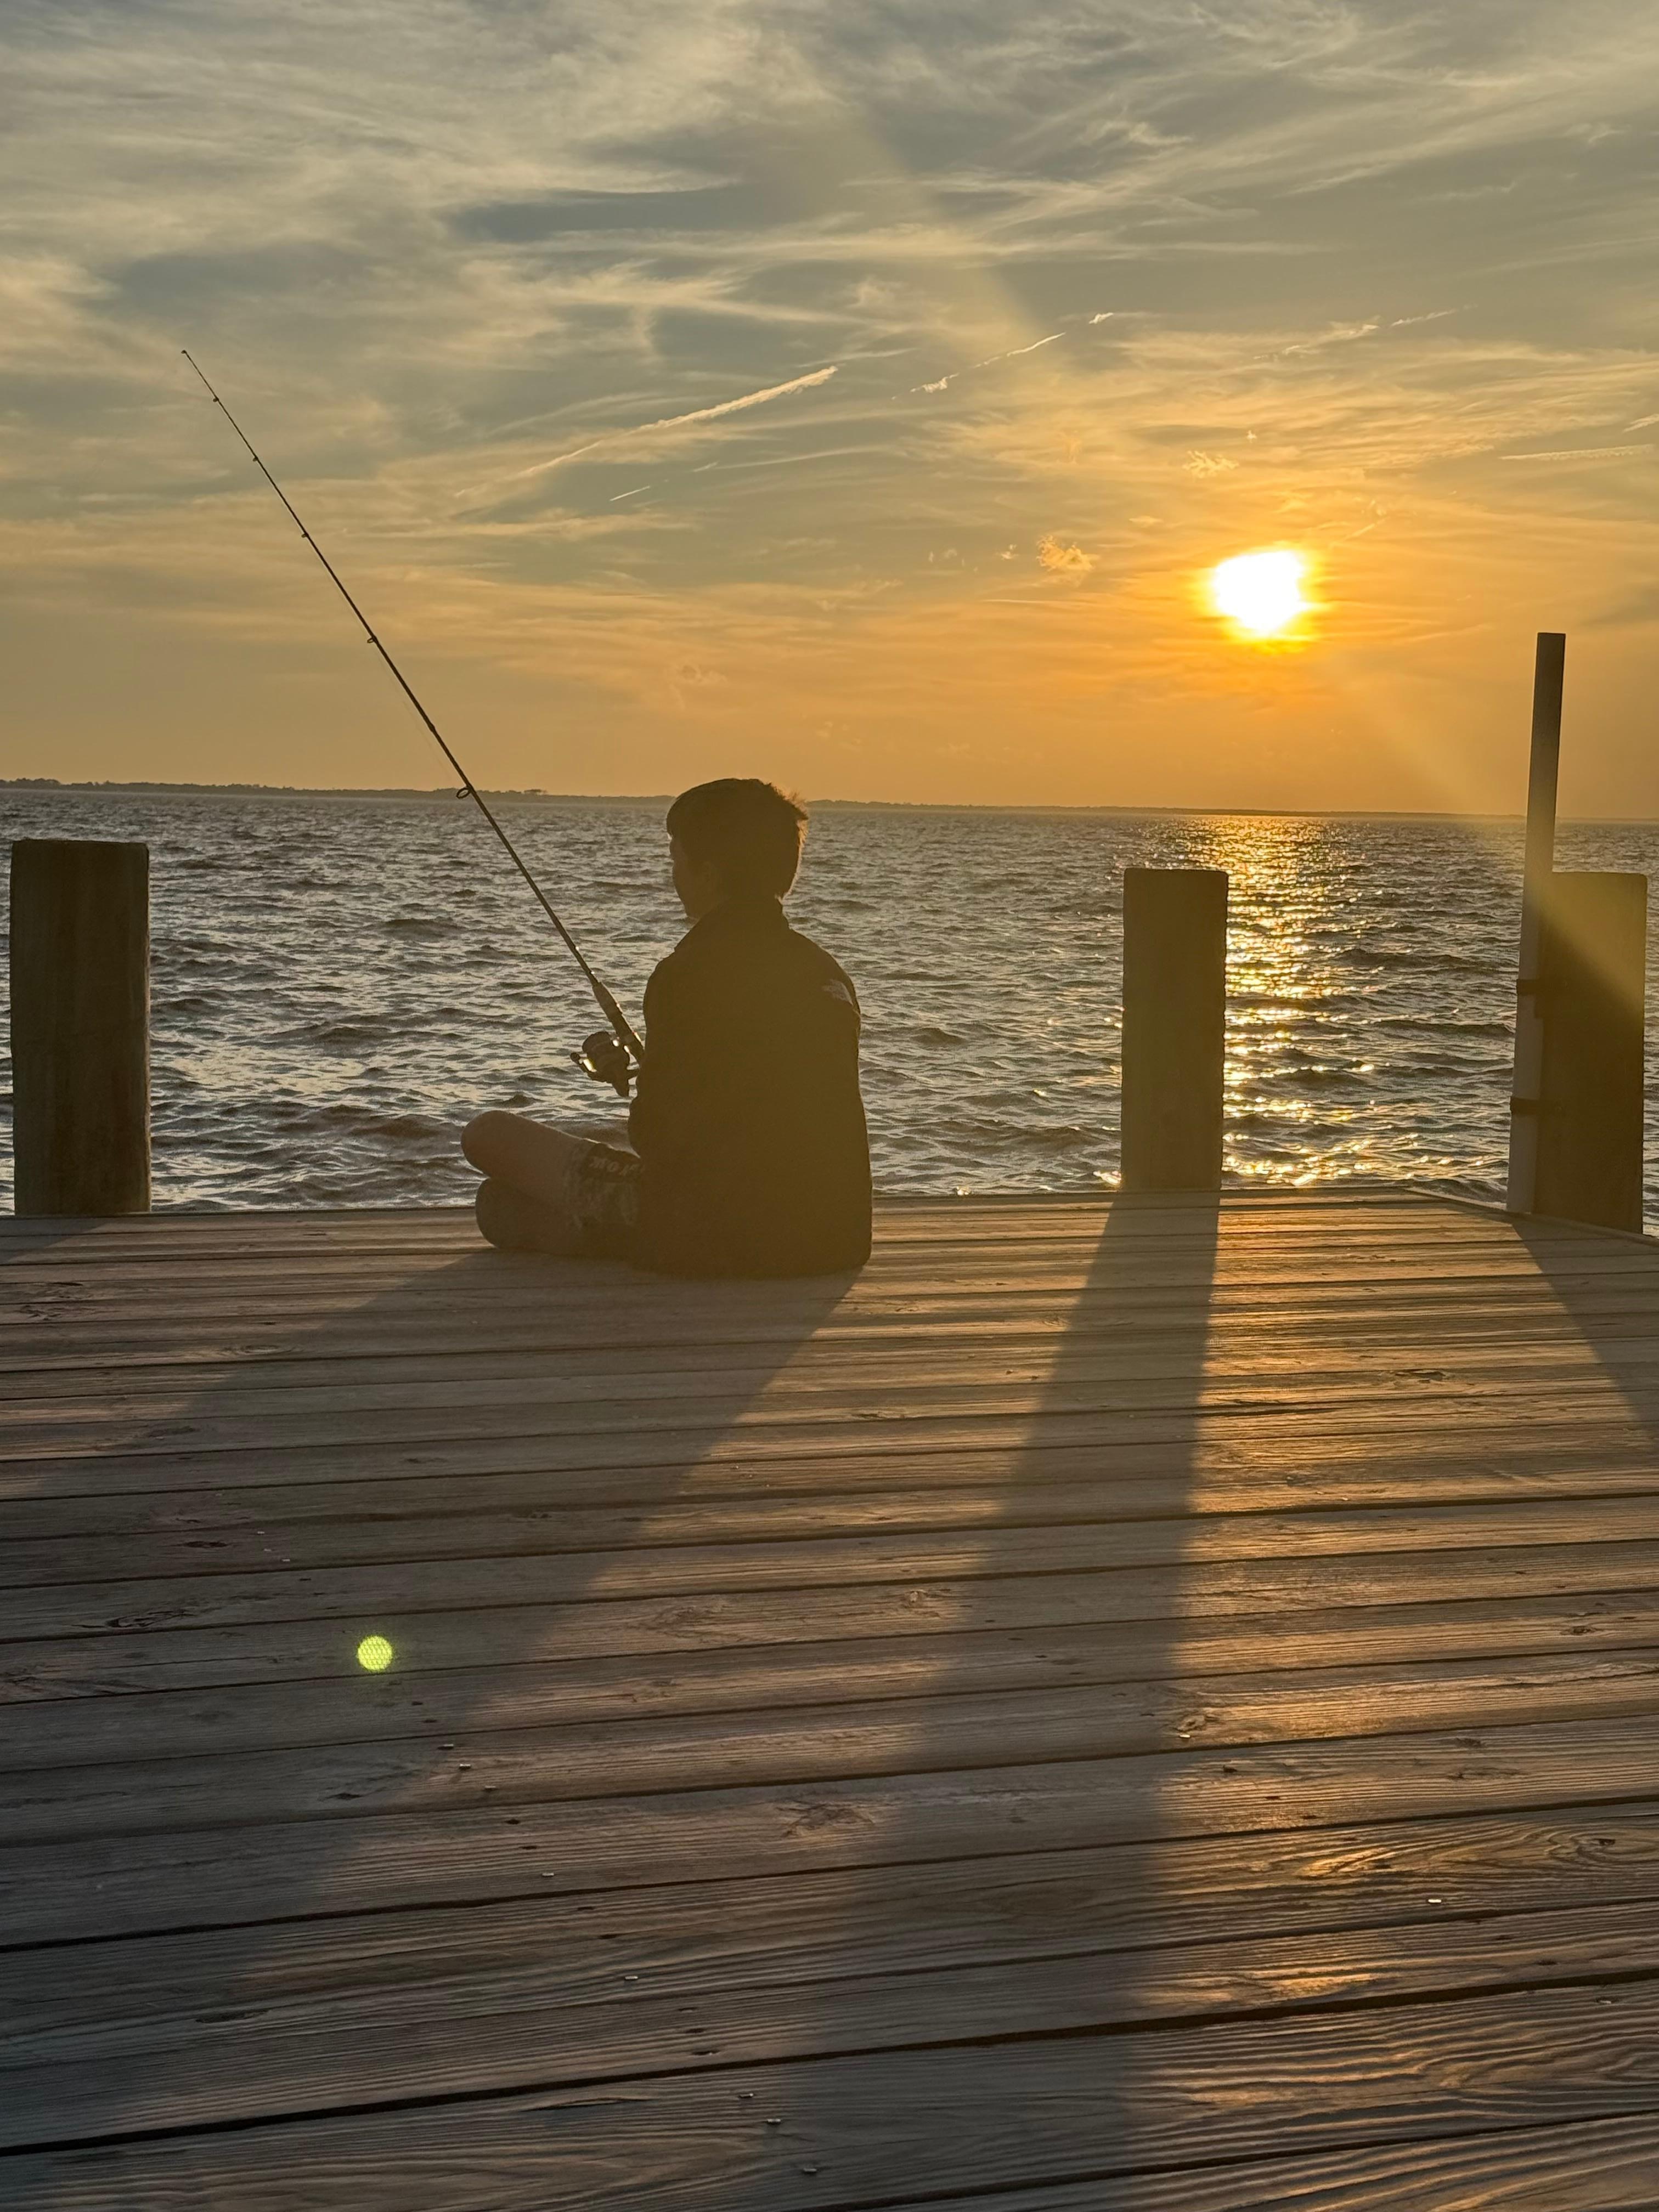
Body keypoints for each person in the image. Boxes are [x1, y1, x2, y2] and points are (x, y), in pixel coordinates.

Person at [462, 778, 872, 1277]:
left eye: (676, 861)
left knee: (489, 1145)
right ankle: (612, 1235)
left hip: (715, 1233)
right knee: (505, 1202)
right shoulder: (828, 975)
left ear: (709, 873)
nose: (673, 877)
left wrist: (644, 1084)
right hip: (834, 1237)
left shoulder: (687, 974)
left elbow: (659, 1138)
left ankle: (616, 1238)